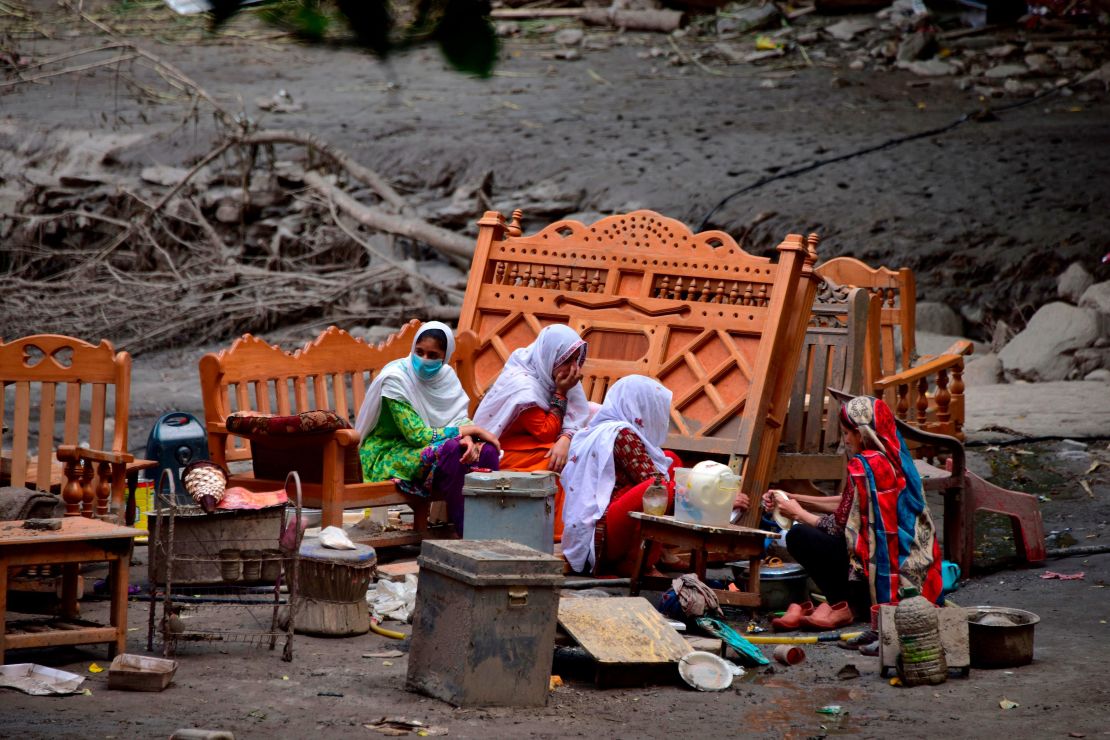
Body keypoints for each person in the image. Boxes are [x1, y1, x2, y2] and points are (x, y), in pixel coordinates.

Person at [764, 394, 943, 632]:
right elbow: (850, 503)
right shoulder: (894, 457)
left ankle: (845, 605)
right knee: (818, 533)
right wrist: (796, 498)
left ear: (863, 433)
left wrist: (797, 514)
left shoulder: (865, 464)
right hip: (916, 572)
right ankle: (844, 603)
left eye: (848, 433)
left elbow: (838, 526)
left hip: (887, 576)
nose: (846, 440)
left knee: (800, 536)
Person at [354, 321, 500, 536]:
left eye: (433, 355)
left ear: (445, 356)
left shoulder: (446, 377)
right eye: (419, 352)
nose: (423, 360)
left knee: (485, 450)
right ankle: (468, 533)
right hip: (388, 451)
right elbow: (416, 436)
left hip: (435, 445)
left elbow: (458, 417)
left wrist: (468, 437)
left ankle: (492, 526)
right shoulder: (395, 380)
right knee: (451, 450)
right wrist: (466, 432)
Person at [472, 325, 589, 541]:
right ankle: (555, 531)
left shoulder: (553, 374)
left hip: (528, 444)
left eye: (576, 360)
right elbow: (545, 432)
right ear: (550, 357)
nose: (574, 369)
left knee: (576, 449)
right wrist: (561, 393)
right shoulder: (524, 386)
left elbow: (580, 413)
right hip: (500, 451)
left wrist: (566, 438)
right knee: (557, 461)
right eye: (566, 361)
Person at [561, 375, 686, 576]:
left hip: (593, 530)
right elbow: (656, 485)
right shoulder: (621, 434)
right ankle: (638, 563)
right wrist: (714, 501)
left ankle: (659, 553)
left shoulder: (595, 429)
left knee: (670, 460)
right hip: (600, 536)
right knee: (661, 489)